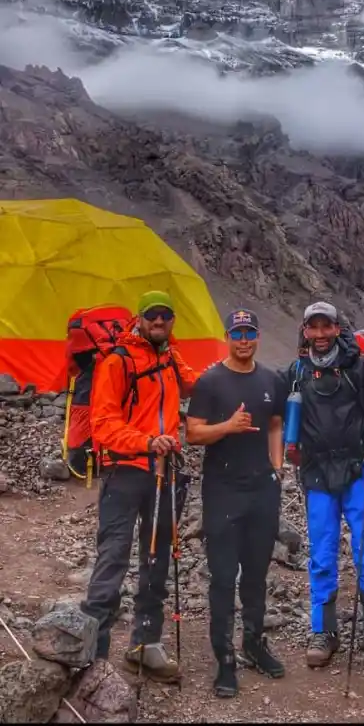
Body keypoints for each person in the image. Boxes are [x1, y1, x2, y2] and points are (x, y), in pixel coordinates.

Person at [81, 291, 198, 683]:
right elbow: (103, 423)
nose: (159, 321)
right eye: (152, 315)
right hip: (125, 470)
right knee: (113, 557)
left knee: (156, 560)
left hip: (164, 472)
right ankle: (91, 654)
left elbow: (192, 386)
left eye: (166, 315)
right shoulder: (118, 361)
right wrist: (146, 441)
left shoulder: (168, 356)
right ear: (139, 318)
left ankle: (144, 645)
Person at [285, 301, 364, 669]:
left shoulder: (362, 370)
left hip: (358, 471)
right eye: (313, 328)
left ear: (338, 328)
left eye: (326, 327)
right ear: (305, 332)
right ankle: (323, 632)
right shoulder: (296, 372)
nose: (320, 335)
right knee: (322, 555)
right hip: (318, 474)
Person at [186, 308, 286, 699]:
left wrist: (277, 468)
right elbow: (193, 434)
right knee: (224, 576)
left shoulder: (270, 379)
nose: (243, 339)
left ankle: (254, 644)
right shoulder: (210, 381)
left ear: (257, 336)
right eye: (237, 333)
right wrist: (228, 427)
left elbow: (275, 423)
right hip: (223, 490)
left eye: (250, 332)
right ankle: (224, 658)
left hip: (263, 488)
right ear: (227, 336)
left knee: (257, 573)